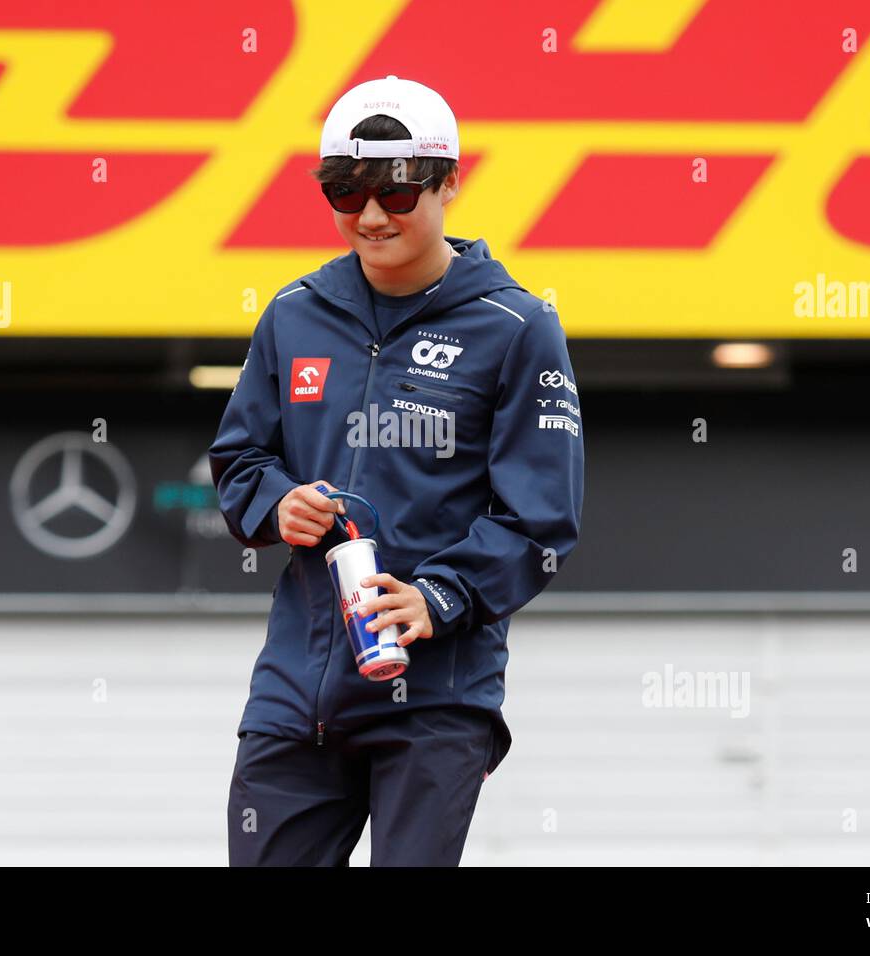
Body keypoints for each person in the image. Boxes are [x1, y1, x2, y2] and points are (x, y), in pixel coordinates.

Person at [209, 75, 584, 866]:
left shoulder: (518, 326)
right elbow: (241, 460)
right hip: (295, 689)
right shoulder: (293, 312)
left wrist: (440, 597)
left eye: (397, 192)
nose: (371, 216)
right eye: (345, 193)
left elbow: (542, 517)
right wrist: (277, 504)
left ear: (450, 181)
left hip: (435, 696)